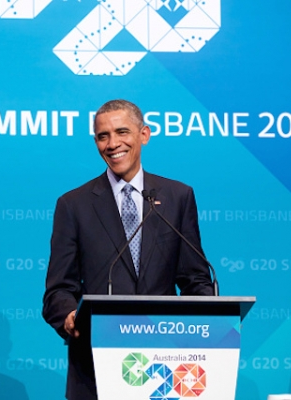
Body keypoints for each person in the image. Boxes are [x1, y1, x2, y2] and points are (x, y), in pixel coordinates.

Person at [42, 99, 214, 400]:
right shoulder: (73, 205)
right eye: (103, 136)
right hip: (96, 364)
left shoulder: (177, 197)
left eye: (122, 132)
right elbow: (58, 289)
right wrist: (68, 314)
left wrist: (211, 319)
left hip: (167, 364)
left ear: (144, 135)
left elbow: (195, 279)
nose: (112, 144)